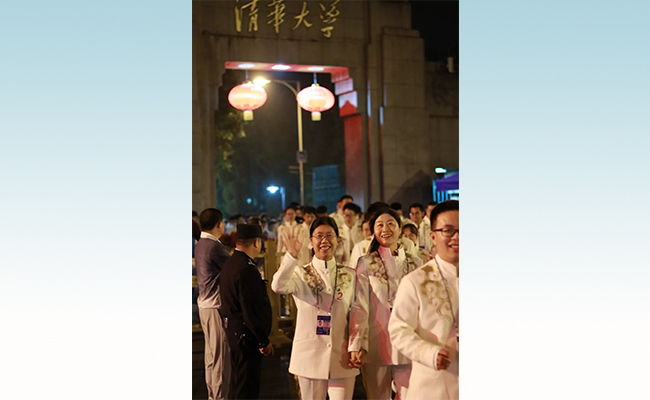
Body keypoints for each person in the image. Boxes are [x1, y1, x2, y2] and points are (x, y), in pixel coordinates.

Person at [272, 217, 360, 400]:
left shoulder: (350, 275)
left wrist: (357, 345)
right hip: (309, 357)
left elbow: (358, 314)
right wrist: (291, 257)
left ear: (337, 240)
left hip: (342, 356)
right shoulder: (300, 273)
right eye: (319, 236)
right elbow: (278, 286)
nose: (324, 240)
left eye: (330, 235)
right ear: (311, 241)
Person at [348, 208, 423, 400]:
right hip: (377, 342)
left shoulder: (416, 263)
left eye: (391, 224)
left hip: (409, 342)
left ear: (400, 227)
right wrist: (357, 343)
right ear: (373, 230)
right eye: (379, 225)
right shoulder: (366, 263)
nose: (385, 229)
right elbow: (360, 305)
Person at [389, 200, 459, 400]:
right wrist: (429, 353)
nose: (457, 237)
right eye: (448, 231)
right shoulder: (416, 281)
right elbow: (398, 330)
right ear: (433, 236)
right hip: (433, 383)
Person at [219, 224, 274, 400]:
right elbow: (251, 310)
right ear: (257, 242)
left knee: (238, 382)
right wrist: (263, 340)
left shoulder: (231, 263)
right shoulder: (247, 269)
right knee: (246, 387)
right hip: (246, 335)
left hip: (234, 330)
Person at [195, 208, 231, 400]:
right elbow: (233, 269)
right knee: (220, 358)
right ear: (219, 224)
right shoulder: (214, 245)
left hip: (204, 306)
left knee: (211, 356)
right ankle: (219, 397)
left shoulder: (200, 243)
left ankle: (212, 395)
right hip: (215, 307)